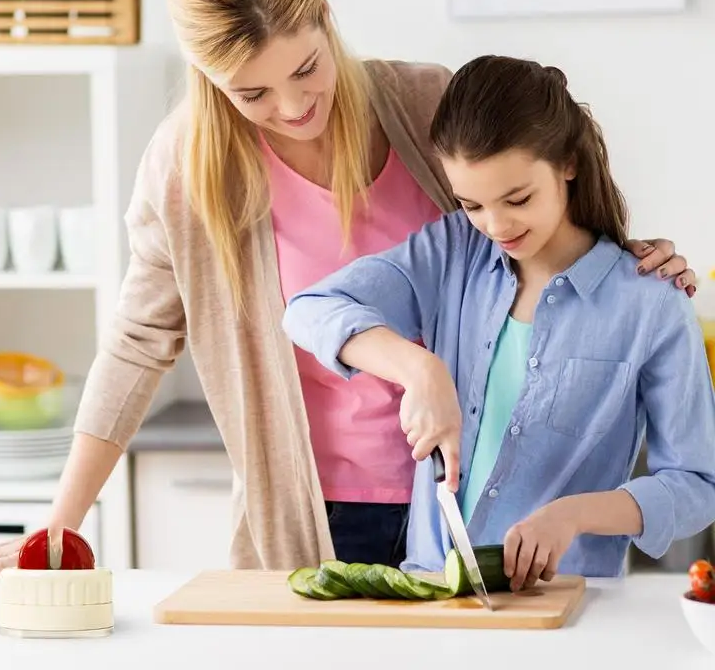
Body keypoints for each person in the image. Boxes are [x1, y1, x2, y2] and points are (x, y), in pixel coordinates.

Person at [0, 0, 696, 581]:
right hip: (313, 502)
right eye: (252, 93)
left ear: (326, 18)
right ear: (212, 82)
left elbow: (527, 185)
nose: (292, 108)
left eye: (305, 69)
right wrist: (57, 528)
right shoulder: (190, 170)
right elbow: (138, 341)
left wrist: (625, 256)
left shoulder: (425, 104)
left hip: (458, 496)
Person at [281, 54, 715, 589]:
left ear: (569, 164)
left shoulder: (652, 303)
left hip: (569, 599)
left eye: (518, 199)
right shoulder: (451, 252)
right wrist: (419, 370)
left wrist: (574, 514)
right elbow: (310, 309)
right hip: (435, 589)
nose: (496, 225)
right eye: (472, 205)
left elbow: (698, 485)